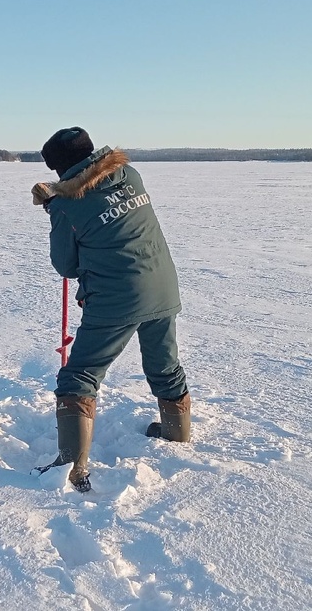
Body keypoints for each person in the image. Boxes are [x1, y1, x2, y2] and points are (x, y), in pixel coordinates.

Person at [31, 126, 191, 493]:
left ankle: (70, 468)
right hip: (162, 286)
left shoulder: (67, 204)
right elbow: (94, 194)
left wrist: (55, 208)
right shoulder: (130, 174)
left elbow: (66, 266)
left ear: (60, 168)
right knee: (164, 363)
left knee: (79, 376)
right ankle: (177, 438)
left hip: (116, 297)